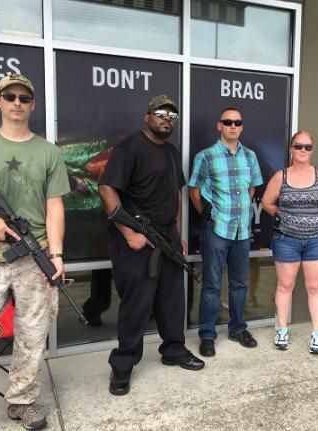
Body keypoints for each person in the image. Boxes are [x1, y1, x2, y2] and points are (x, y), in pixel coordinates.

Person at [0, 74, 71, 431]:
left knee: (33, 333)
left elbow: (55, 208)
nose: (17, 102)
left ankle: (21, 400)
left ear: (32, 104)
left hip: (33, 252)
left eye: (24, 97)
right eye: (10, 96)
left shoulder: (48, 151)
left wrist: (56, 256)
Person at [98, 95, 204, 397]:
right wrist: (128, 233)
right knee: (136, 304)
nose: (166, 118)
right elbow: (106, 189)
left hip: (166, 235)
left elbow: (176, 195)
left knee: (172, 298)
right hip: (135, 238)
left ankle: (173, 350)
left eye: (172, 114)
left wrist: (178, 233)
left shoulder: (171, 151)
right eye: (160, 113)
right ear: (147, 117)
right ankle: (123, 365)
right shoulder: (130, 147)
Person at [189, 107, 263, 357]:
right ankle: (208, 335)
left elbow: (252, 189)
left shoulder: (250, 156)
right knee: (211, 285)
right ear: (219, 126)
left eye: (237, 122)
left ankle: (237, 328)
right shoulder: (206, 157)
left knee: (239, 284)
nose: (233, 125)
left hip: (242, 231)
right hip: (217, 230)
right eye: (228, 122)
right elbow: (194, 191)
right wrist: (210, 215)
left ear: (241, 127)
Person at [262, 131, 318, 353]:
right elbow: (268, 203)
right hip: (286, 240)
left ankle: (317, 335)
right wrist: (284, 217)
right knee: (285, 285)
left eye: (307, 147)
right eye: (298, 146)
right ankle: (281, 330)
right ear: (291, 149)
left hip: (317, 240)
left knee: (315, 287)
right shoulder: (281, 176)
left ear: (312, 150)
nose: (303, 151)